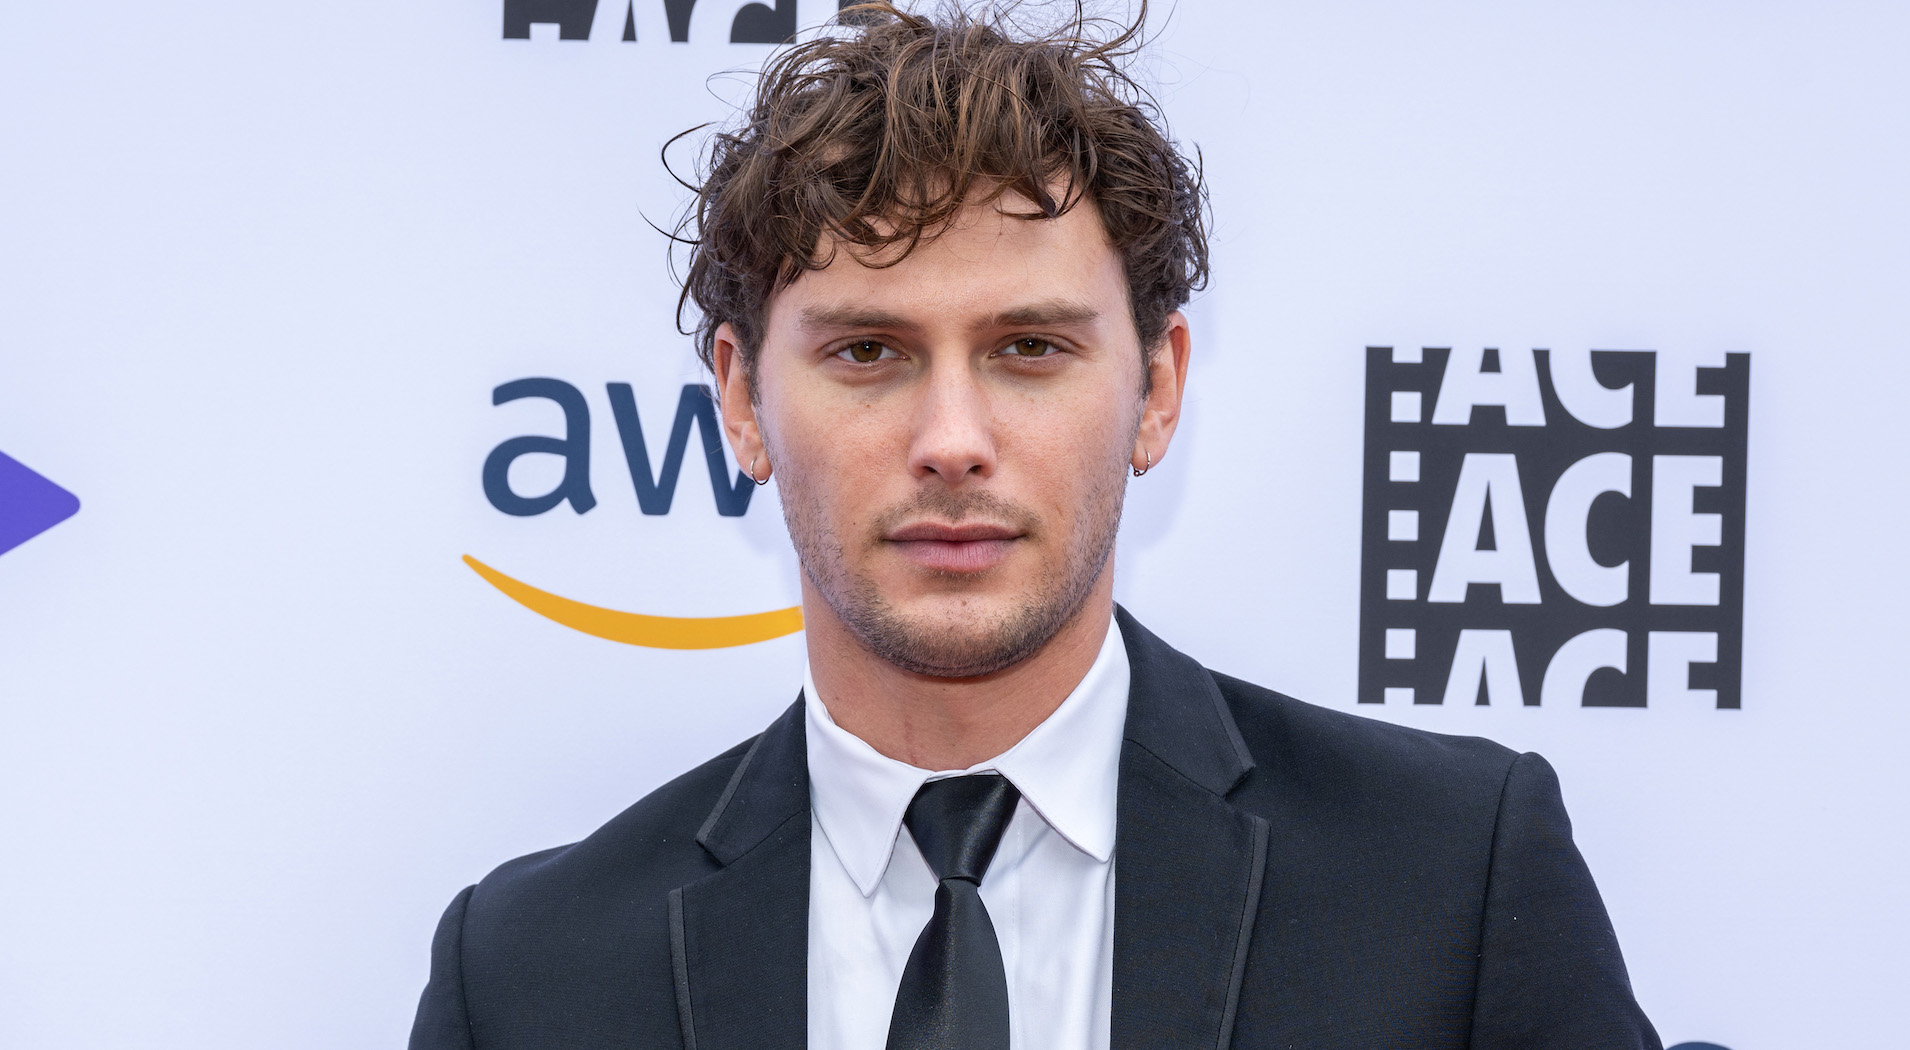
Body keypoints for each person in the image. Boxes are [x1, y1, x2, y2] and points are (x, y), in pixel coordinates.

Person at [410, 5, 1660, 1048]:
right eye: (865, 351)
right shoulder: (528, 979)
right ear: (740, 400)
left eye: (1028, 348)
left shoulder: (1447, 879)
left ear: (1156, 387)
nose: (951, 436)